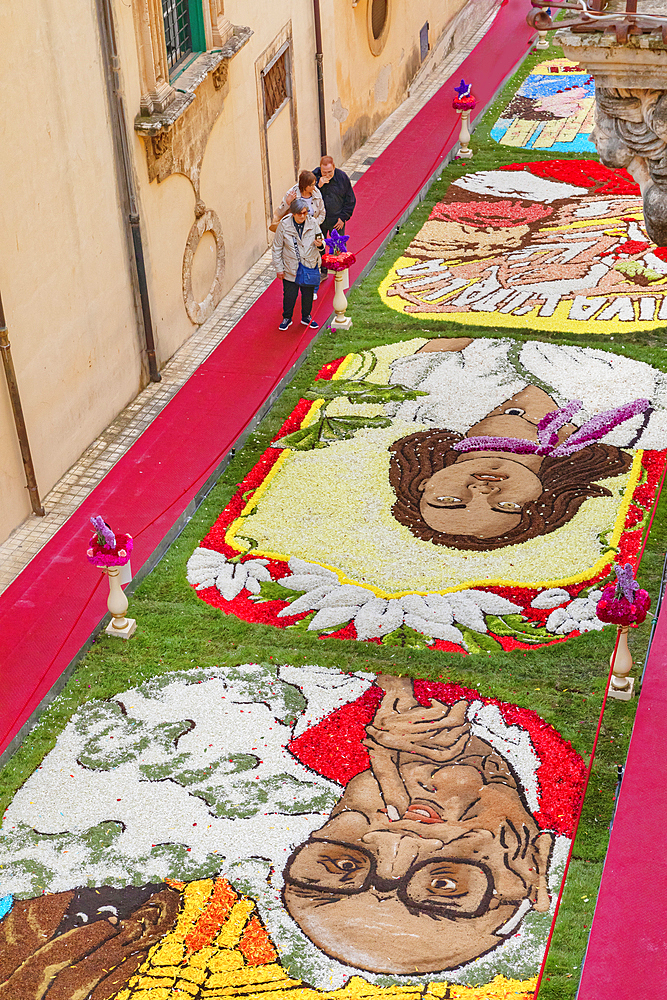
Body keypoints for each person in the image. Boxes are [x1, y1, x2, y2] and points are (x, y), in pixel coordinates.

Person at [283, 675, 554, 975]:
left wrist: (393, 707)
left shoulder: (319, 729)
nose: (399, 840)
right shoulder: (588, 778)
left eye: (343, 863)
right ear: (536, 865)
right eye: (444, 884)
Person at [387, 337, 655, 550]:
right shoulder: (633, 426)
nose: (482, 492)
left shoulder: (414, 402)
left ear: (424, 484)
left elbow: (455, 332)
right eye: (507, 506)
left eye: (449, 500)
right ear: (540, 499)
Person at [272, 199, 324, 331]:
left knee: (308, 294)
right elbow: (277, 248)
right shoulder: (284, 225)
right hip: (291, 267)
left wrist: (321, 245)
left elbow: (321, 240)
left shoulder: (313, 223)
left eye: (304, 213)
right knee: (290, 295)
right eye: (299, 213)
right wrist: (279, 269)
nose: (302, 216)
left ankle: (306, 316)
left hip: (309, 265)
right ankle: (287, 318)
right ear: (293, 213)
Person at [313, 155, 356, 275]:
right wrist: (318, 186)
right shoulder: (314, 177)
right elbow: (307, 196)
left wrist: (343, 218)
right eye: (324, 172)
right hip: (319, 220)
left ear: (334, 167)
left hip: (336, 219)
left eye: (329, 172)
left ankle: (339, 272)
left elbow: (350, 200)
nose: (327, 175)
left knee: (338, 246)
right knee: (318, 245)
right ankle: (323, 270)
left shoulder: (342, 177)